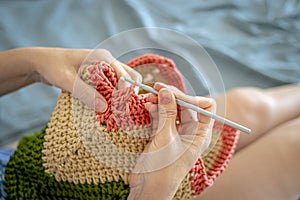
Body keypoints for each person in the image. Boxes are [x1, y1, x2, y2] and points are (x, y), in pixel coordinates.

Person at [0, 47, 299, 200]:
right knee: (293, 151)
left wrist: (32, 63)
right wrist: (155, 193)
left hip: (31, 162)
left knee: (250, 105)